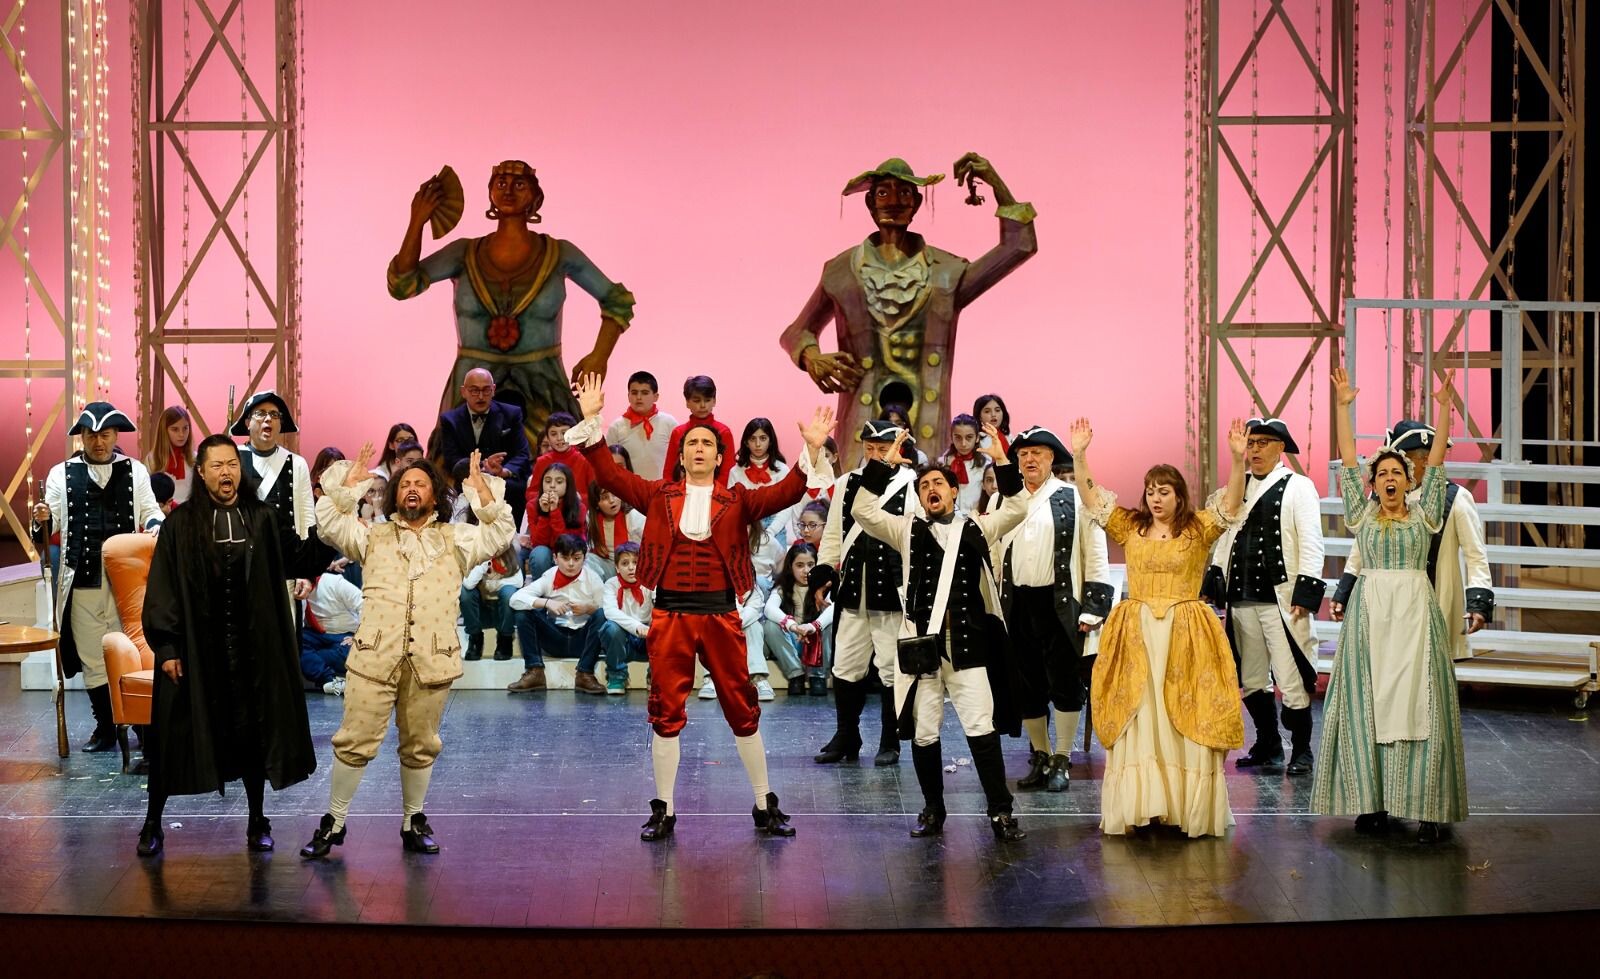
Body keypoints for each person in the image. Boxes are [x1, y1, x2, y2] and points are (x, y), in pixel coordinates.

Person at [565, 372, 835, 841]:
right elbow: (608, 474)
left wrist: (811, 449)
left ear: (718, 454)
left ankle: (763, 802)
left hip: (719, 616)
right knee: (665, 712)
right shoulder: (658, 495)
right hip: (670, 615)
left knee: (742, 707)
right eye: (691, 443)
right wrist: (591, 420)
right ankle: (664, 808)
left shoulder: (739, 500)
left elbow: (789, 491)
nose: (698, 449)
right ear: (682, 453)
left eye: (707, 443)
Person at [298, 446, 514, 860]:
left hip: (430, 659)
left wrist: (483, 492)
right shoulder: (370, 534)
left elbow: (498, 534)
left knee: (420, 744)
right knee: (354, 740)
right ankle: (335, 821)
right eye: (406, 484)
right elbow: (327, 522)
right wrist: (351, 482)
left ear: (435, 496)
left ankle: (413, 819)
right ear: (395, 494)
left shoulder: (457, 539)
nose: (413, 489)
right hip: (374, 658)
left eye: (422, 484)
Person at [138, 435, 335, 856]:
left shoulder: (261, 518)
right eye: (217, 466)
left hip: (250, 651)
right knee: (172, 739)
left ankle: (257, 821)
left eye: (232, 464)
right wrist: (168, 648)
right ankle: (152, 823)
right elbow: (163, 589)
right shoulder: (180, 525)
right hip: (196, 650)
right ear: (202, 472)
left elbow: (301, 556)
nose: (226, 473)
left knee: (252, 738)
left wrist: (338, 513)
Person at [778, 155, 1037, 468]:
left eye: (903, 194)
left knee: (924, 501)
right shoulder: (840, 272)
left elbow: (1017, 248)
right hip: (859, 428)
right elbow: (796, 331)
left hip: (926, 429)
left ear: (915, 203)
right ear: (870, 204)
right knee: (858, 502)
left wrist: (997, 186)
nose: (893, 202)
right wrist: (811, 357)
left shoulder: (948, 272)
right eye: (883, 194)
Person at [1070, 417, 1247, 838]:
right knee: (1142, 716)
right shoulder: (1130, 526)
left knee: (1185, 713)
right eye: (1150, 491)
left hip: (1185, 634)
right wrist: (1079, 456)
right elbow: (1092, 498)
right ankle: (1145, 805)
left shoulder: (1198, 529)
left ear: (1178, 495)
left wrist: (1238, 461)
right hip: (1138, 633)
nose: (1155, 498)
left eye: (1163, 491)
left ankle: (1183, 807)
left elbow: (1233, 504)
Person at [851, 423, 1029, 841]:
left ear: (953, 493)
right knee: (925, 733)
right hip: (921, 651)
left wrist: (1002, 461)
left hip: (967, 647)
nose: (931, 488)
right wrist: (881, 465)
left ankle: (1000, 811)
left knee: (981, 729)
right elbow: (863, 512)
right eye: (924, 484)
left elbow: (1018, 508)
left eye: (938, 483)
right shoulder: (906, 529)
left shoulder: (977, 526)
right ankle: (933, 810)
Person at [1312, 369, 1467, 845]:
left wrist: (1443, 410)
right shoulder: (1361, 514)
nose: (1389, 478)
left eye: (1397, 472)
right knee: (1368, 706)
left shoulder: (1426, 511)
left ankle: (1426, 809)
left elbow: (1437, 461)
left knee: (1421, 706)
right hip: (1370, 616)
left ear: (1409, 479)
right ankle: (1376, 803)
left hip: (1415, 616)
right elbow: (1344, 459)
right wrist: (1342, 408)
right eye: (1381, 474)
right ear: (1374, 484)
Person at [389, 159, 636, 442]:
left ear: (535, 196)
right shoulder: (464, 253)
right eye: (500, 183)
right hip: (471, 388)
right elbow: (403, 285)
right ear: (490, 192)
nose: (508, 190)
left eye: (519, 184)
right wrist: (417, 221)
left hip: (543, 389)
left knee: (557, 470)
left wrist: (599, 357)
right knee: (457, 471)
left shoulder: (558, 254)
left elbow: (617, 300)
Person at [31, 402, 165, 753]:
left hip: (126, 582)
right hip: (82, 581)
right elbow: (53, 523)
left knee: (134, 652)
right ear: (83, 438)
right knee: (92, 656)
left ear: (115, 435)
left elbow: (151, 512)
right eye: (91, 435)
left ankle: (141, 728)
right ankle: (105, 726)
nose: (98, 442)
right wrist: (42, 518)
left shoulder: (134, 471)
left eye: (105, 435)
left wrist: (156, 527)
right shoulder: (63, 473)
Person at [989, 426, 1114, 793]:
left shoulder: (1072, 497)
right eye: (1024, 454)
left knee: (1064, 682)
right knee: (1028, 685)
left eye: (1037, 453)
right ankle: (1040, 756)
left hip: (1059, 604)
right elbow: (994, 556)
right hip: (1017, 605)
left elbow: (1096, 552)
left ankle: (1062, 756)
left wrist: (1094, 606)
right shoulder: (1002, 500)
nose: (1029, 459)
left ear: (1051, 459)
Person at [1204, 417, 1326, 777]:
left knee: (1290, 678)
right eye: (1251, 443)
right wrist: (1216, 581)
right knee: (1253, 678)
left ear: (1280, 448)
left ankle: (1301, 750)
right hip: (1241, 598)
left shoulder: (1298, 486)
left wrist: (1306, 589)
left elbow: (1311, 540)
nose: (1254, 449)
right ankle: (1269, 744)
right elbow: (1224, 538)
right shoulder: (1236, 488)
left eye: (1262, 443)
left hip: (1283, 600)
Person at [1330, 418, 1493, 658]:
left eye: (1402, 460)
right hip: (1387, 605)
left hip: (1435, 601)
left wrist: (1478, 602)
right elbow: (1361, 549)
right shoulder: (1382, 498)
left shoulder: (1455, 498)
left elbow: (1475, 554)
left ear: (1425, 460)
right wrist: (1344, 590)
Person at [811, 420, 920, 765]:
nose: (874, 456)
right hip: (854, 589)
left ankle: (890, 739)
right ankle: (847, 734)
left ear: (896, 450)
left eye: (881, 450)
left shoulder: (911, 485)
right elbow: (834, 534)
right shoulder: (848, 483)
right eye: (869, 449)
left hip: (891, 592)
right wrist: (825, 572)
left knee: (891, 668)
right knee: (845, 665)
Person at [230, 391, 319, 602]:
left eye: (274, 414)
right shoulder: (233, 459)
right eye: (260, 413)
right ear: (247, 422)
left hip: (285, 567)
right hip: (240, 567)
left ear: (281, 424)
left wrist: (305, 572)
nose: (268, 419)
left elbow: (307, 519)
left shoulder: (296, 463)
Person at [507, 533, 613, 695]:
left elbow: (609, 611)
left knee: (600, 614)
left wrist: (587, 608)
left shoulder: (593, 578)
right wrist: (548, 603)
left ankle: (585, 673)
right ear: (555, 558)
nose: (571, 564)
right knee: (524, 612)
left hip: (582, 641)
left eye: (577, 559)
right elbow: (515, 599)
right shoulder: (549, 576)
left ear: (584, 559)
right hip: (555, 637)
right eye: (565, 558)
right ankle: (534, 671)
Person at [436, 368, 534, 530]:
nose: (481, 396)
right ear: (463, 391)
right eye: (474, 391)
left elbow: (522, 454)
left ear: (493, 390)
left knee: (515, 488)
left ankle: (512, 537)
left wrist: (503, 471)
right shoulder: (450, 420)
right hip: (469, 479)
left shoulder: (512, 414)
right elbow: (452, 458)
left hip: (504, 481)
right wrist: (481, 468)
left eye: (486, 390)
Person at [763, 542, 835, 696]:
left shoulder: (825, 588)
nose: (806, 570)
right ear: (791, 567)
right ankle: (796, 675)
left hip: (815, 642)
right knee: (770, 626)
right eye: (800, 565)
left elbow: (833, 610)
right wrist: (794, 626)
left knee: (829, 624)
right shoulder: (783, 588)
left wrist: (814, 626)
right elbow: (769, 609)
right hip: (794, 641)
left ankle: (818, 676)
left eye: (810, 564)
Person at [461, 528, 522, 662]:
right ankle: (475, 639)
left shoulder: (510, 555)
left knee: (509, 592)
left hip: (503, 612)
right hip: (482, 610)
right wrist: (483, 564)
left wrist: (489, 585)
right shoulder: (475, 556)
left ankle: (505, 639)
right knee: (465, 593)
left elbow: (518, 582)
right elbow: (468, 584)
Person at [662, 375, 736, 484]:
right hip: (682, 494)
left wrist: (714, 495)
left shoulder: (723, 432)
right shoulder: (678, 432)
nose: (702, 405)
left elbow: (727, 472)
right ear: (687, 402)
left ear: (714, 401)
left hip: (716, 495)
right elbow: (669, 472)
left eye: (707, 400)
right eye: (697, 400)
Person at [521, 461, 587, 581]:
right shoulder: (532, 505)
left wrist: (555, 511)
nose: (552, 485)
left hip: (569, 553)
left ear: (568, 484)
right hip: (545, 552)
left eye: (559, 482)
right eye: (547, 481)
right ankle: (541, 591)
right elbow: (538, 542)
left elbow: (567, 544)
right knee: (540, 553)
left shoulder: (579, 507)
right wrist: (545, 513)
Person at [606, 370, 678, 479]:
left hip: (663, 490)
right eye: (634, 393)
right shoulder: (616, 427)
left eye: (645, 393)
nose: (639, 397)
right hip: (629, 491)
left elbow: (680, 461)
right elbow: (609, 466)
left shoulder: (669, 423)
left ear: (656, 396)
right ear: (628, 395)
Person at [602, 542, 652, 695]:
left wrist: (648, 628)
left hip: (648, 637)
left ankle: (655, 675)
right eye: (625, 563)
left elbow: (660, 609)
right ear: (617, 568)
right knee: (610, 628)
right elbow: (610, 611)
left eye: (635, 562)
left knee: (666, 624)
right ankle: (616, 676)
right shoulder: (611, 584)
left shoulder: (651, 584)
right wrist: (636, 627)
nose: (631, 567)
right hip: (624, 638)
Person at [302, 571, 362, 695]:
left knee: (353, 652)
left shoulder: (333, 582)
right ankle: (329, 680)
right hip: (316, 635)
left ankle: (313, 663)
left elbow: (364, 605)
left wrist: (360, 635)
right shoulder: (294, 589)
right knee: (296, 642)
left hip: (346, 635)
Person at [587, 483, 646, 580]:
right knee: (589, 560)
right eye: (605, 497)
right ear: (596, 504)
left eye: (615, 494)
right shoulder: (591, 517)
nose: (612, 500)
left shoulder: (633, 516)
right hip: (608, 564)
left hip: (632, 564)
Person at [143, 405, 194, 506]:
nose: (181, 434)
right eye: (175, 429)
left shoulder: (195, 459)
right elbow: (146, 495)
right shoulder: (152, 459)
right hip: (163, 514)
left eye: (185, 428)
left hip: (190, 515)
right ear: (164, 431)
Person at [940, 414, 988, 512]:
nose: (963, 444)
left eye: (969, 437)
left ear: (977, 438)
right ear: (951, 437)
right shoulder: (942, 463)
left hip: (976, 520)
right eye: (958, 437)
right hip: (949, 520)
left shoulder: (985, 465)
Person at [728, 418, 789, 490]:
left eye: (763, 438)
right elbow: (732, 500)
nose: (757, 444)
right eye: (752, 439)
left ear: (771, 441)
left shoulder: (783, 470)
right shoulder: (735, 472)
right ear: (746, 442)